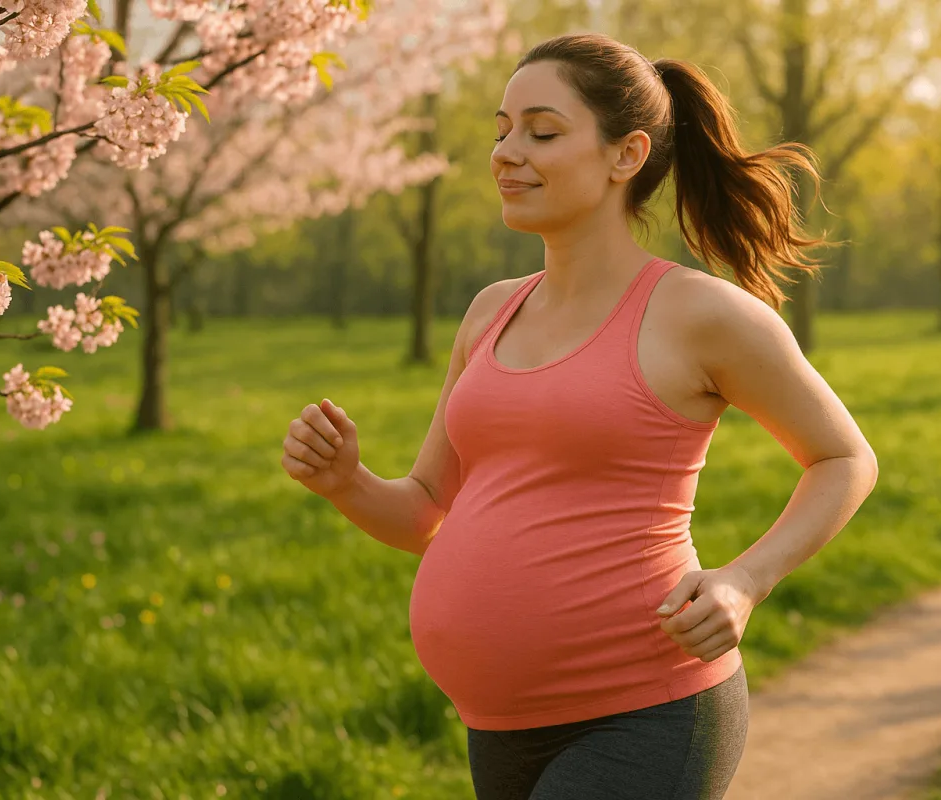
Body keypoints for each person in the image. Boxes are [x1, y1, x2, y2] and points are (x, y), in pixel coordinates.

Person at [281, 31, 879, 800]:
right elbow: (425, 510)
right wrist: (344, 481)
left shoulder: (701, 315)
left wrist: (744, 581)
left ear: (626, 154)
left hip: (645, 712)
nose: (506, 153)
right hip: (497, 725)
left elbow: (844, 458)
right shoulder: (490, 312)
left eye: (542, 132)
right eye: (502, 130)